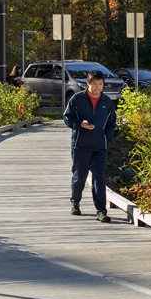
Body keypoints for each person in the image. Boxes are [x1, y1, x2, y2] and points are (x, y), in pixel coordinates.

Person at [62, 70, 117, 222]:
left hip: (100, 147)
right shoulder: (77, 99)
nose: (98, 87)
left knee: (99, 177)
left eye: (100, 84)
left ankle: (101, 211)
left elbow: (112, 123)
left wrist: (107, 137)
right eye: (94, 84)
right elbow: (67, 118)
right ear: (87, 84)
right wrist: (80, 124)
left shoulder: (107, 102)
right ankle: (75, 202)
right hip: (81, 145)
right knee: (79, 176)